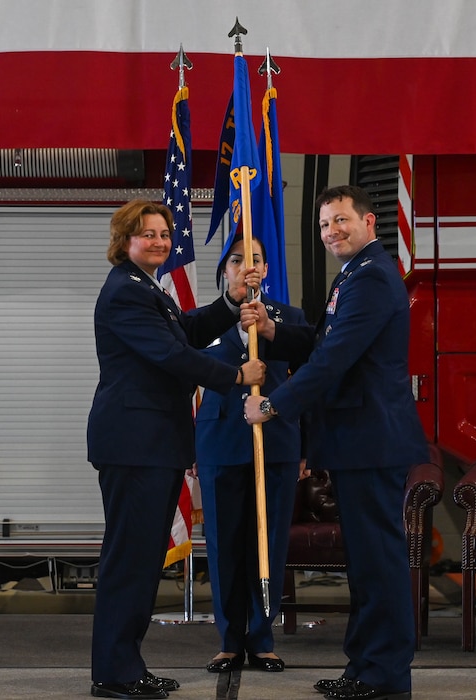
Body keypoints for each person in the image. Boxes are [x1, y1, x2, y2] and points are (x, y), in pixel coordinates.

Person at [243, 185, 427, 700]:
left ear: (371, 222)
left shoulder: (371, 278)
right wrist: (273, 329)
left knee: (379, 563)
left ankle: (385, 675)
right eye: (325, 224)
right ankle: (365, 665)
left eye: (341, 220)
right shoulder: (355, 274)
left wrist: (274, 405)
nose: (332, 232)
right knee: (367, 563)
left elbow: (332, 360)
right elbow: (322, 340)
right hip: (358, 441)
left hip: (372, 441)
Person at [86, 199, 265, 700]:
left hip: (153, 445)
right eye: (149, 234)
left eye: (165, 233)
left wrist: (230, 301)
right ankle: (115, 673)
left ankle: (124, 667)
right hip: (135, 444)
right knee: (131, 560)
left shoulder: (147, 290)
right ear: (125, 241)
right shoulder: (126, 291)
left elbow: (183, 332)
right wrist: (235, 375)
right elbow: (170, 355)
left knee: (143, 559)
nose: (161, 241)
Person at [194, 235, 307, 674]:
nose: (247, 266)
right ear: (225, 270)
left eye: (255, 258)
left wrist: (306, 449)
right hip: (220, 442)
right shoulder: (206, 322)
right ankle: (228, 640)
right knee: (223, 545)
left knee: (269, 542)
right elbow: (187, 385)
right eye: (237, 259)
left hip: (276, 442)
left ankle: (262, 638)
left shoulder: (289, 320)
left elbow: (307, 384)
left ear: (266, 269)